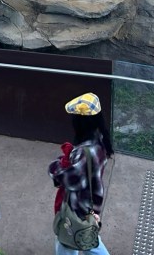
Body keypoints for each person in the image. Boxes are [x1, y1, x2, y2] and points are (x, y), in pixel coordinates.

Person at [48, 92, 115, 255]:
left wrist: (55, 167)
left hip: (78, 207)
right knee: (88, 239)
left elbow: (70, 180)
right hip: (90, 204)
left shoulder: (84, 152)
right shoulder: (100, 140)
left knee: (67, 240)